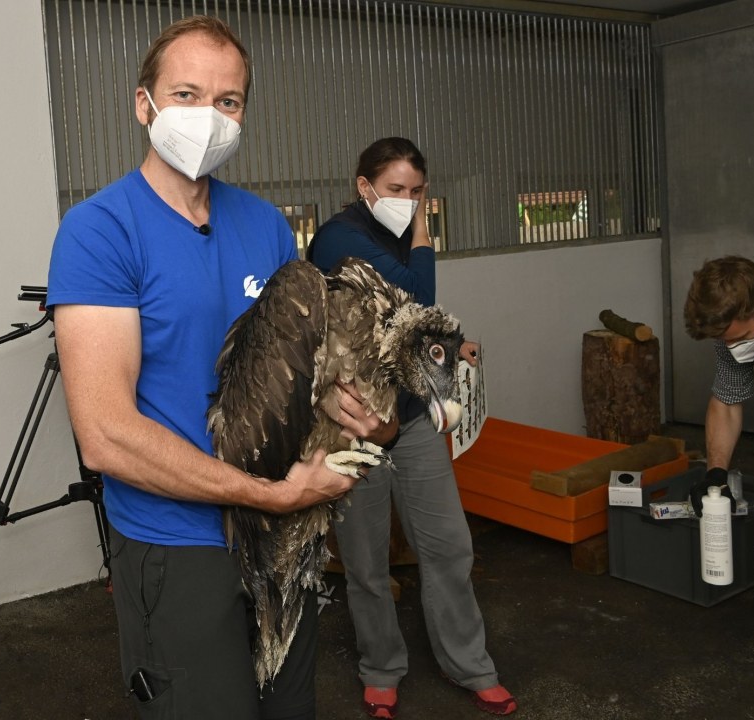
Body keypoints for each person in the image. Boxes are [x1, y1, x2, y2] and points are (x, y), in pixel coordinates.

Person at [46, 16, 392, 720]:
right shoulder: (101, 231)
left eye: (227, 100)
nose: (208, 116)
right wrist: (269, 496)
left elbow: (296, 368)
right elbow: (105, 436)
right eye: (186, 93)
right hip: (182, 548)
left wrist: (346, 409)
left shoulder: (264, 225)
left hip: (281, 542)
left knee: (289, 709)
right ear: (143, 105)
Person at [306, 137, 516, 718]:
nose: (408, 201)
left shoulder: (395, 238)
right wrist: (423, 226)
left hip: (413, 417)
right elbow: (417, 295)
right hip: (356, 424)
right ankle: (381, 669)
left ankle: (470, 664)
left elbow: (402, 326)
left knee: (449, 546)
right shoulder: (339, 239)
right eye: (396, 190)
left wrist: (451, 342)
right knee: (366, 562)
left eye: (418, 191)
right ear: (363, 186)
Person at [683, 255, 754, 704]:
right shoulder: (739, 323)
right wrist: (715, 472)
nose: (737, 348)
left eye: (743, 338)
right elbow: (727, 401)